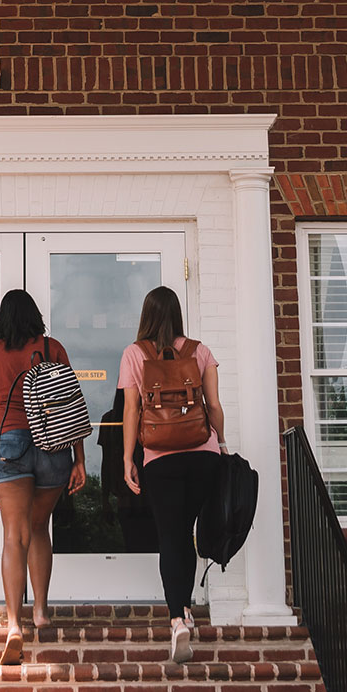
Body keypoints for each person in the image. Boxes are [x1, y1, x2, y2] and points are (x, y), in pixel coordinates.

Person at [0, 287, 83, 664]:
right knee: (39, 529)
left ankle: (14, 624)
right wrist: (79, 460)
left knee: (14, 536)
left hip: (9, 443)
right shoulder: (54, 349)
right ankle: (41, 612)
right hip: (54, 444)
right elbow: (71, 405)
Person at [118, 285, 224, 665]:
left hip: (160, 457)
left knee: (170, 536)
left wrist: (128, 457)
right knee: (188, 534)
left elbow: (131, 411)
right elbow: (213, 406)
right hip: (202, 456)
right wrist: (222, 443)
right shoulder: (201, 351)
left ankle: (177, 618)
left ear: (146, 315)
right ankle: (187, 606)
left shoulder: (134, 354)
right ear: (177, 314)